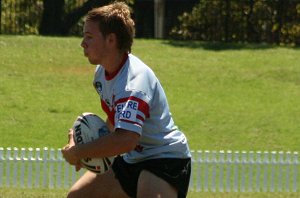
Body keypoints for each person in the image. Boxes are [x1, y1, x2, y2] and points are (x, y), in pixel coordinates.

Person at [61, 2, 191, 198]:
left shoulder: (133, 83)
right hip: (131, 158)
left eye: (89, 37)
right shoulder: (101, 74)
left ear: (111, 40)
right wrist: (88, 151)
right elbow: (114, 124)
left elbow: (127, 139)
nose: (82, 43)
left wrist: (79, 151)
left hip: (163, 159)